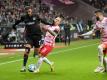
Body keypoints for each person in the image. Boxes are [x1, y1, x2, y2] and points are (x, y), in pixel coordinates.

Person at [12, 6, 52, 72]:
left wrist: (50, 24)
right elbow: (18, 21)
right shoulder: (24, 17)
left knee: (38, 54)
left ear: (32, 11)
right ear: (26, 12)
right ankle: (23, 67)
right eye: (28, 11)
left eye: (30, 11)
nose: (29, 12)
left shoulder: (36, 16)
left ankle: (50, 63)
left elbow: (42, 20)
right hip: (29, 37)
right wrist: (14, 25)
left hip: (37, 36)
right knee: (27, 50)